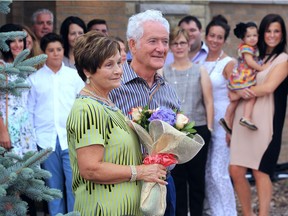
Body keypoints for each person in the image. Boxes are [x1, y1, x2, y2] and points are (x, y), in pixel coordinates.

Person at [67, 30, 167, 215]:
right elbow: (91, 169)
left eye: (119, 63)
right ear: (88, 70)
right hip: (103, 209)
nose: (118, 70)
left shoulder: (107, 104)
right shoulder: (87, 109)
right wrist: (140, 172)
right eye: (109, 65)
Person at [109, 9, 179, 216]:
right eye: (153, 41)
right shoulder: (113, 86)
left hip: (162, 185)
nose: (161, 48)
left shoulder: (169, 92)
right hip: (122, 185)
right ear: (132, 45)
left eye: (165, 42)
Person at [229, 14, 288, 216]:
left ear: (282, 34)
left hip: (266, 123)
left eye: (276, 31)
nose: (272, 35)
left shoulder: (283, 59)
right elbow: (234, 74)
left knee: (261, 171)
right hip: (243, 119)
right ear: (262, 33)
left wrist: (238, 91)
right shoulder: (254, 56)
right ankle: (247, 213)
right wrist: (236, 89)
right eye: (268, 31)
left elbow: (269, 87)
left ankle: (263, 214)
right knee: (235, 170)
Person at [27, 32, 84, 216]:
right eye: (51, 50)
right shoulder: (34, 79)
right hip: (45, 141)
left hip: (71, 138)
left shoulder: (73, 76)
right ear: (44, 53)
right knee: (53, 189)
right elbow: (29, 111)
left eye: (59, 49)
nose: (56, 53)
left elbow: (81, 104)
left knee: (73, 184)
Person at [163, 26, 214, 216]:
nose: (179, 47)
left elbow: (208, 101)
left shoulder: (200, 71)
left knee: (197, 178)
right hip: (174, 132)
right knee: (177, 177)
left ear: (189, 43)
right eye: (174, 43)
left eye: (182, 42)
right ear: (170, 46)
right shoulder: (164, 72)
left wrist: (208, 128)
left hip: (197, 129)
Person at [0, 23, 38, 216]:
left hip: (26, 130)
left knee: (26, 182)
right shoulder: (1, 66)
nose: (16, 44)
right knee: (10, 180)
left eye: (20, 40)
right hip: (7, 128)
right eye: (11, 40)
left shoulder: (26, 67)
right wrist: (3, 131)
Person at [203, 15, 237, 216]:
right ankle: (215, 212)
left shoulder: (229, 62)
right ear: (206, 36)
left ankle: (229, 212)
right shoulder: (199, 59)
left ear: (225, 40)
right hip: (206, 122)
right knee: (208, 173)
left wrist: (230, 127)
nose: (215, 40)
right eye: (212, 36)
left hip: (223, 123)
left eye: (219, 37)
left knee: (219, 173)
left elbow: (236, 96)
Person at [219, 22, 270, 133]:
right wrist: (262, 69)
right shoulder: (247, 48)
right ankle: (246, 117)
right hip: (243, 77)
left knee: (234, 101)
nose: (252, 38)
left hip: (238, 78)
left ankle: (227, 118)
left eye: (254, 35)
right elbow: (250, 62)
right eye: (248, 36)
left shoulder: (249, 48)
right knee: (251, 96)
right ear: (243, 38)